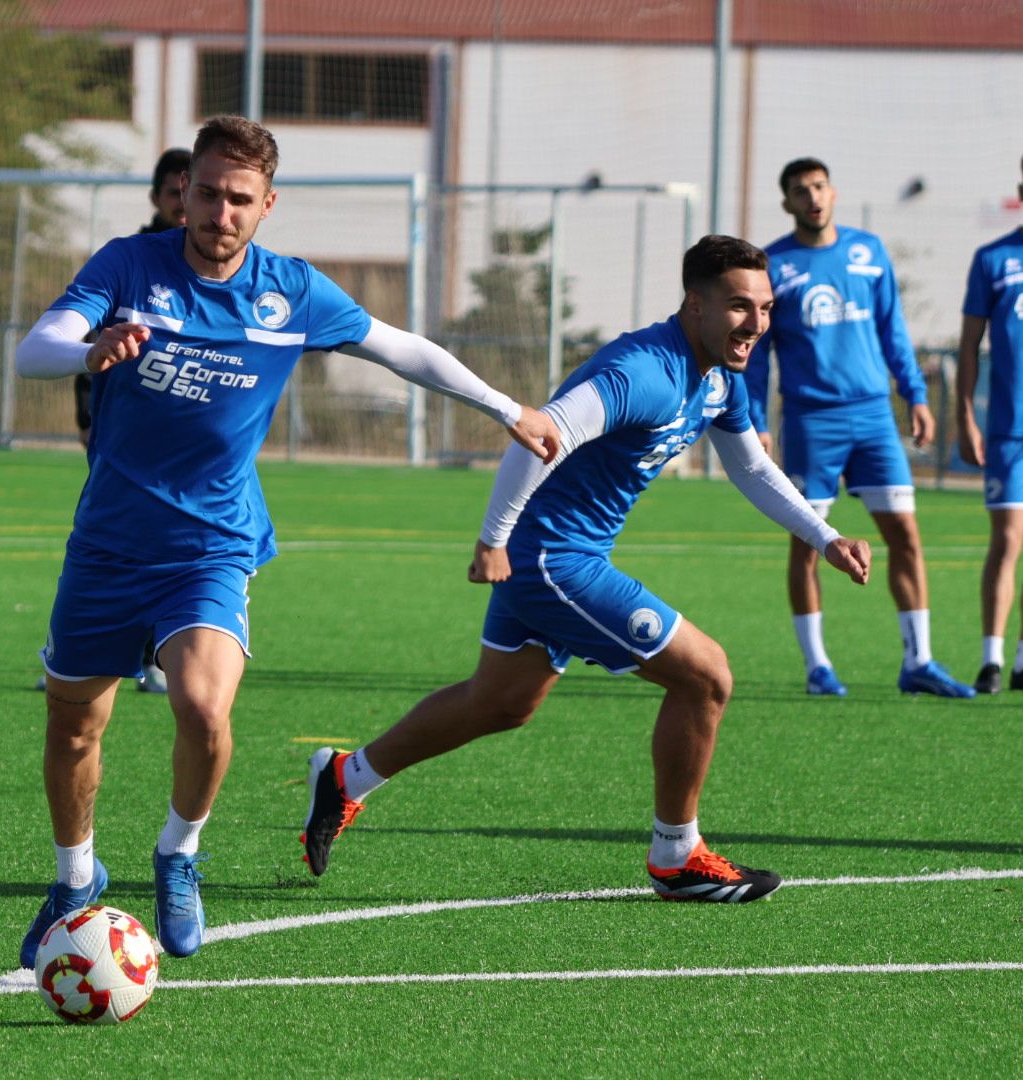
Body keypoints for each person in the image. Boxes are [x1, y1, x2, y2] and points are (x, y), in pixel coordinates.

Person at [13, 115, 560, 965]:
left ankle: (178, 854)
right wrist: (91, 348)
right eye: (205, 193)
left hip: (213, 545)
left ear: (267, 206)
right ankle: (75, 877)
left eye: (239, 199)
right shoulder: (128, 265)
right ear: (183, 192)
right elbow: (33, 350)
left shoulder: (293, 291)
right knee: (74, 728)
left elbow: (401, 350)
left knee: (203, 708)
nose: (218, 213)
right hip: (109, 545)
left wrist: (505, 408)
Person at [300, 236, 873, 903]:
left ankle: (347, 778)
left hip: (566, 553)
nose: (757, 324)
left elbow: (747, 465)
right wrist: (494, 540)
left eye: (766, 308)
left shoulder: (720, 375)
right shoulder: (644, 371)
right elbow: (541, 433)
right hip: (550, 556)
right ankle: (677, 855)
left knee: (501, 703)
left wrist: (826, 536)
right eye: (739, 307)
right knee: (706, 676)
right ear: (696, 303)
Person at [745, 158, 973, 699]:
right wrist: (755, 420)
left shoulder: (868, 251)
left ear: (834, 192)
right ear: (787, 204)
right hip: (810, 421)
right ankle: (818, 667)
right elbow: (757, 353)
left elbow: (893, 328)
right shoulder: (775, 265)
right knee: (807, 544)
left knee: (906, 538)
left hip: (874, 418)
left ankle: (919, 660)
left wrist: (915, 394)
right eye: (801, 191)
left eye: (820, 187)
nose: (813, 198)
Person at [67, 148, 191, 696]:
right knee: (116, 535)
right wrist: (85, 418)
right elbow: (83, 345)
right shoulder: (129, 261)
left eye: (199, 193)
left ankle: (159, 651)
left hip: (186, 452)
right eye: (176, 194)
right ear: (157, 198)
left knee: (178, 545)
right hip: (123, 440)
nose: (187, 206)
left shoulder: (225, 268)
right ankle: (83, 648)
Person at [956, 156, 1023, 694]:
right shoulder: (993, 258)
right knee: (1007, 539)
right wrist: (965, 415)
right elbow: (969, 345)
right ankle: (992, 659)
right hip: (1009, 429)